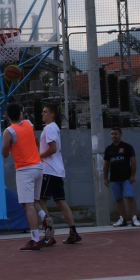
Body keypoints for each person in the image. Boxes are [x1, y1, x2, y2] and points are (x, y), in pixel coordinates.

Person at [37, 105, 82, 247]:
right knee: (60, 201)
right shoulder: (54, 127)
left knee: (39, 201)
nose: (42, 114)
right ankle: (73, 232)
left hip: (49, 170)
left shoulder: (49, 128)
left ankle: (49, 235)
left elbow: (52, 149)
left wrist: (38, 157)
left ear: (52, 114)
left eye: (45, 112)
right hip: (57, 170)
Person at [2, 103, 45, 251]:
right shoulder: (28, 124)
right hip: (39, 167)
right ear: (21, 114)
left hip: (25, 169)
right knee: (34, 200)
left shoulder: (9, 131)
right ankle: (45, 217)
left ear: (7, 116)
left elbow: (5, 153)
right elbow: (34, 140)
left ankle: (35, 239)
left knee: (28, 205)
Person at [103, 127, 140, 227]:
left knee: (130, 197)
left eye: (115, 134)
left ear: (120, 135)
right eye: (112, 134)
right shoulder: (108, 149)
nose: (113, 136)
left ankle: (134, 219)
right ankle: (122, 219)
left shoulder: (127, 147)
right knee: (118, 199)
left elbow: (133, 161)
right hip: (114, 179)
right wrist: (105, 178)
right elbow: (106, 164)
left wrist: (132, 175)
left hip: (126, 178)